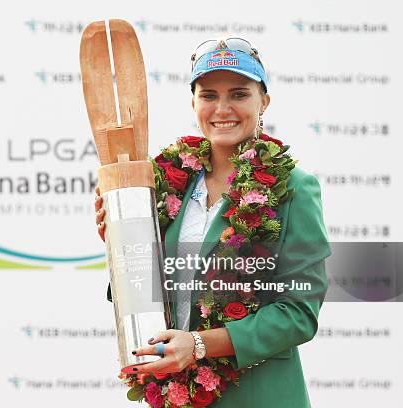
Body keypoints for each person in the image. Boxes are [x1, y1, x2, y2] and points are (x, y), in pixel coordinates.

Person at [94, 37, 330, 407]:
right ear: (193, 102)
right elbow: (154, 287)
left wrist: (200, 345)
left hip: (258, 394)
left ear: (263, 100)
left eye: (238, 94)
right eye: (208, 95)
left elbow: (298, 313)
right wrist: (121, 243)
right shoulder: (167, 180)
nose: (222, 108)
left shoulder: (295, 188)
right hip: (178, 393)